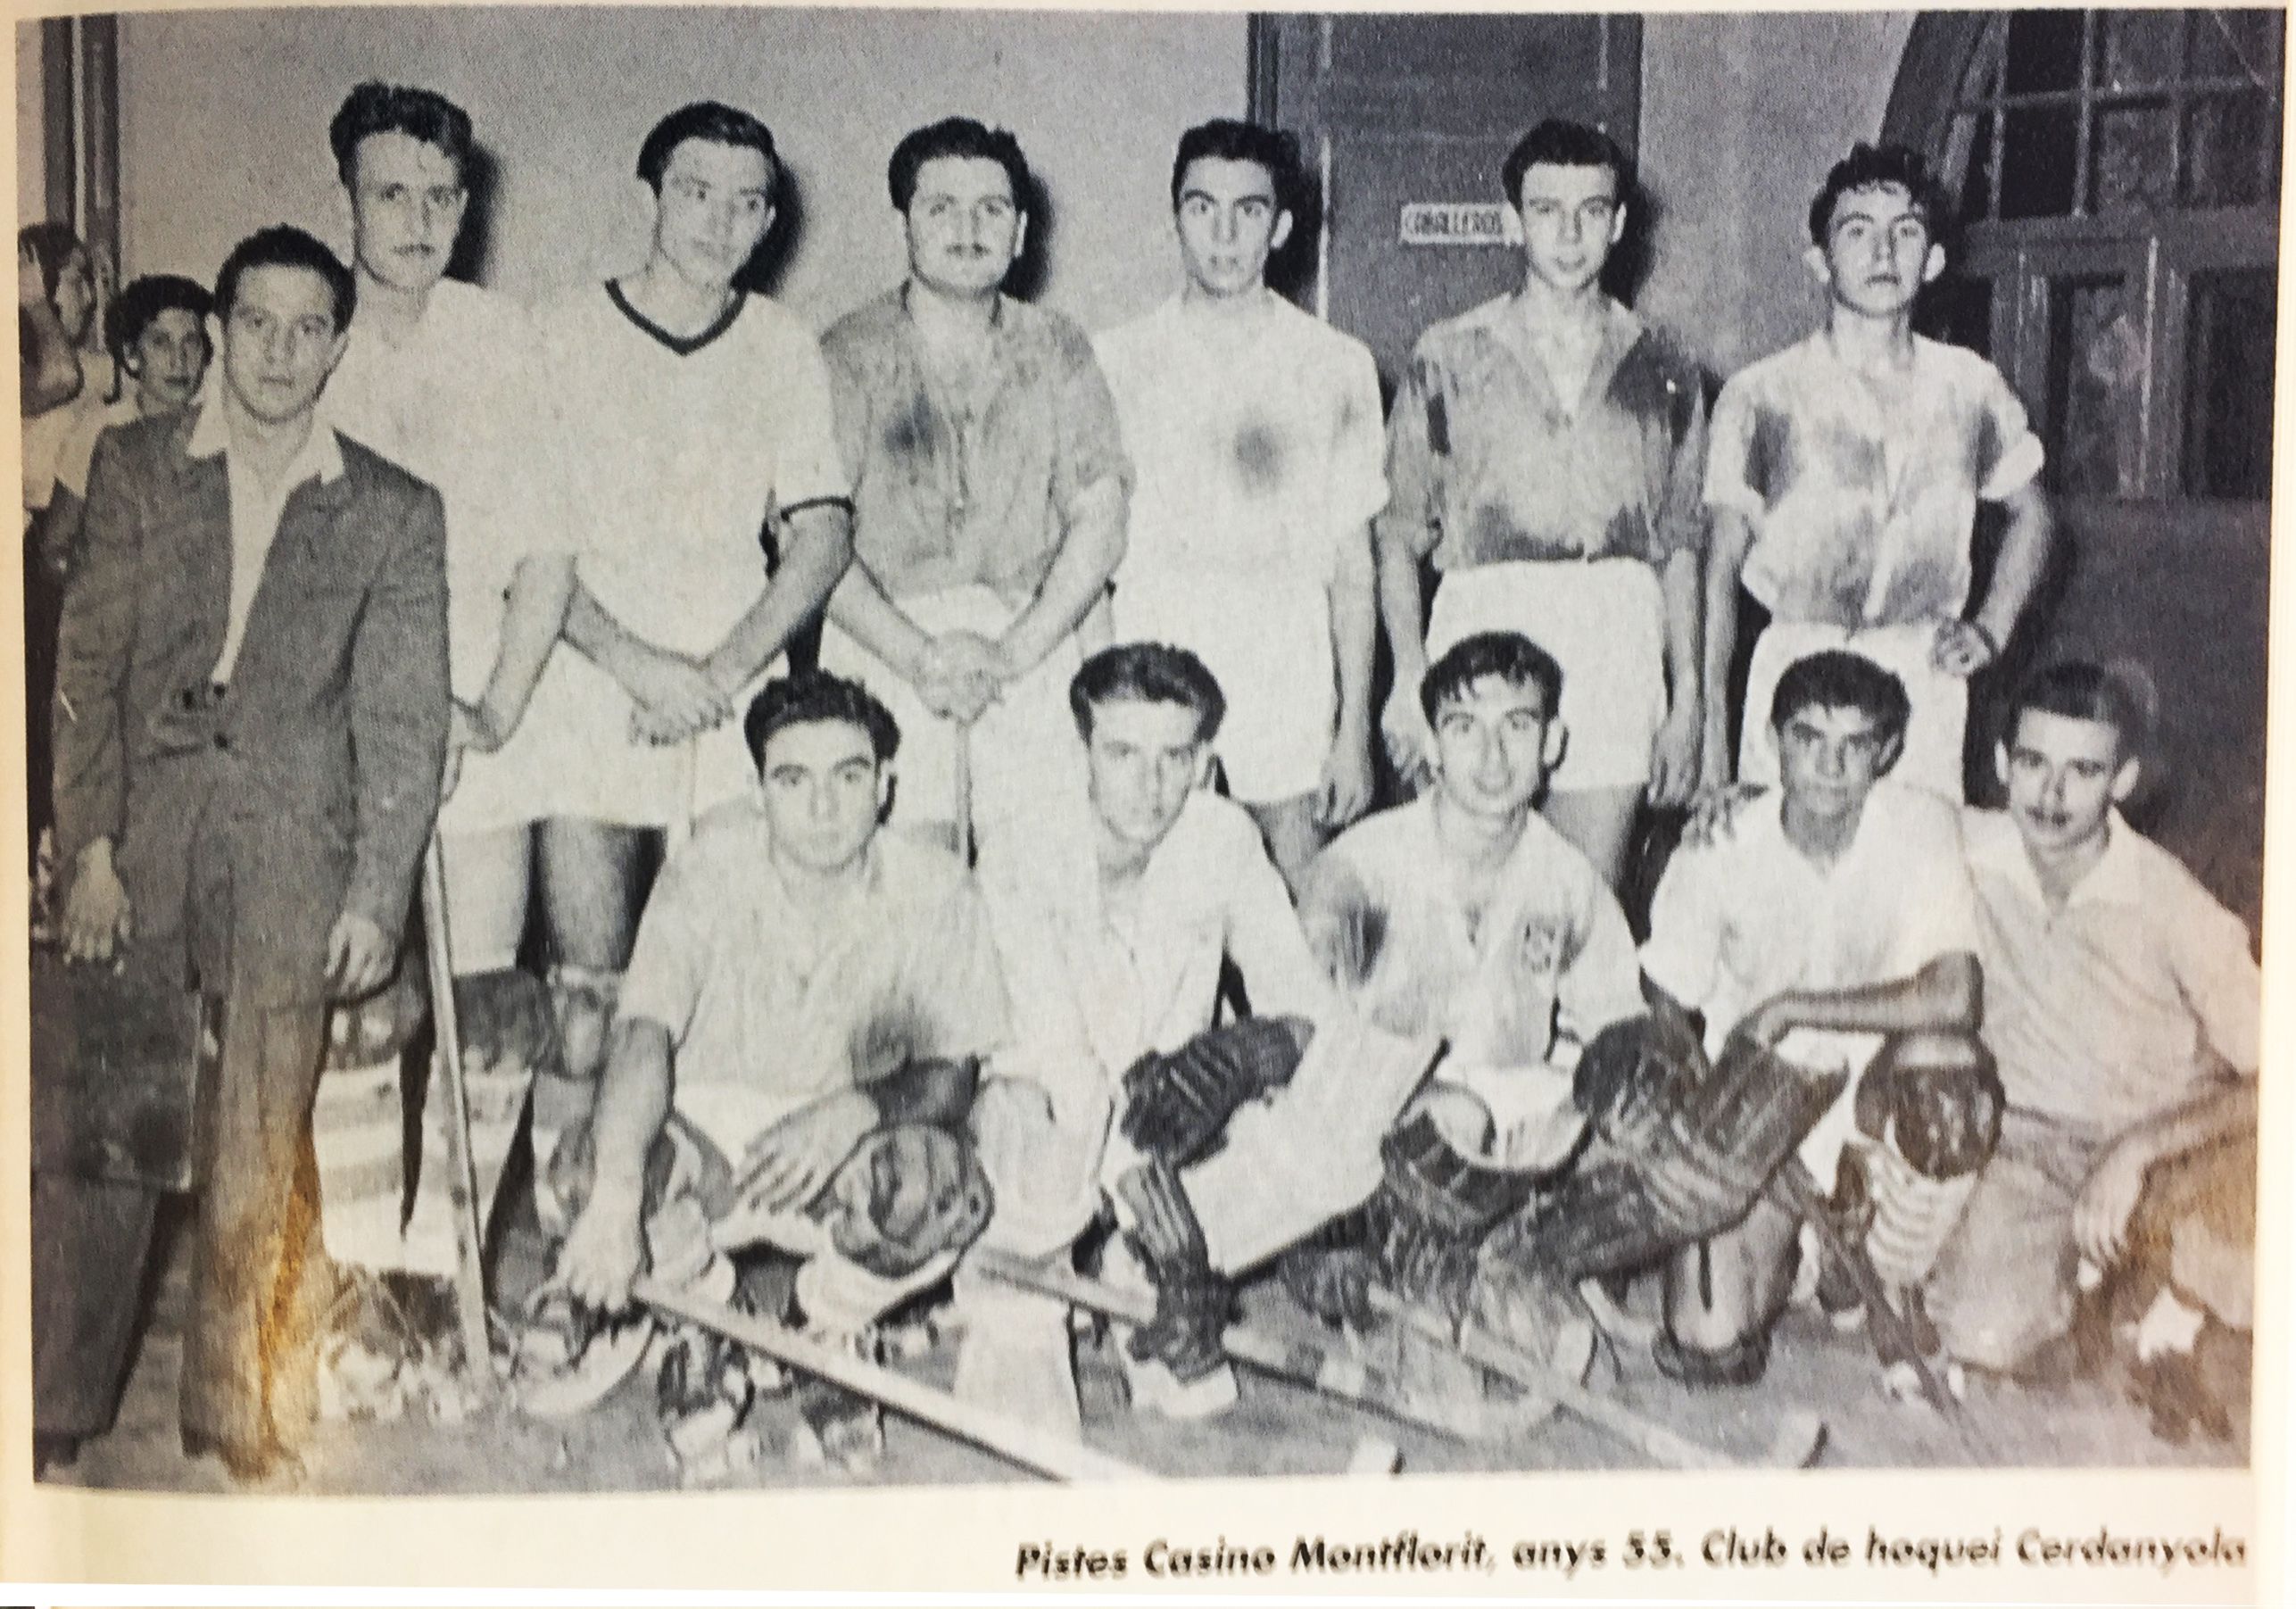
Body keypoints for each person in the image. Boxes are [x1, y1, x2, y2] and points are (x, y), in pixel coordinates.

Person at [51, 224, 450, 1480]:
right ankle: (51, 1400)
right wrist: (91, 851)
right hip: (149, 840)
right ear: (216, 328)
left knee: (259, 1138)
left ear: (336, 343)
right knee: (103, 1127)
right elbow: (86, 669)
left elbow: (401, 720)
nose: (278, 350)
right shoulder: (135, 465)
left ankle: (228, 1406)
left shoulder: (392, 507)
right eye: (255, 322)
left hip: (296, 848)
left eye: (306, 327)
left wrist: (377, 894)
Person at [954, 643, 1435, 1433]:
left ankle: (1127, 1276)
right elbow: (1062, 1060)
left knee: (1350, 1103)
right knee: (1034, 1110)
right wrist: (1177, 1243)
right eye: (1122, 754)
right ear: (1082, 751)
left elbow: (1304, 1007)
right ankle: (1031, 1310)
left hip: (1164, 1126)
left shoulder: (1221, 836)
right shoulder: (1020, 844)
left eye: (1175, 757)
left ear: (1205, 761)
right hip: (1045, 1136)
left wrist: (1251, 1051)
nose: (1151, 785)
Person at [538, 671, 1009, 1473]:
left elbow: (952, 1072)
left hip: (841, 1157)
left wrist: (852, 1110)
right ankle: (702, 1321)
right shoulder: (706, 869)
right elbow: (644, 1034)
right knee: (588, 1167)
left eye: (848, 777)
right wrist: (621, 1190)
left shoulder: (936, 885)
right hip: (710, 1141)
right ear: (759, 791)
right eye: (793, 780)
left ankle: (820, 1323)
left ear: (886, 787)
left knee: (944, 1184)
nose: (822, 807)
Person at [519, 101, 854, 1148]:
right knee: (587, 1001)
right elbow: (522, 543)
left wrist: (717, 671)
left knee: (716, 1000)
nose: (719, 221)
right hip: (589, 687)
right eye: (696, 193)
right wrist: (641, 669)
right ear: (652, 197)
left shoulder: (783, 344)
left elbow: (821, 535)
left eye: (746, 203)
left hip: (727, 693)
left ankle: (693, 1273)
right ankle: (581, 1259)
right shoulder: (559, 332)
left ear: (768, 224)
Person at [1638, 650, 1989, 1386]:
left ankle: (1885, 1265)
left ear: (1886, 751)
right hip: (1758, 1098)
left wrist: (1791, 1006)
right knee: (1709, 1341)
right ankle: (1808, 1250)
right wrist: (1707, 1111)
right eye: (1808, 739)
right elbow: (1665, 994)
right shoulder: (1721, 840)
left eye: (1854, 745)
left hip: (1873, 1096)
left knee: (1946, 1075)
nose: (1830, 767)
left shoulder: (1921, 825)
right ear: (1772, 741)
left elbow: (1954, 996)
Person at [1380, 120, 1709, 891]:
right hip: (1481, 619)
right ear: (1511, 221)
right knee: (1469, 889)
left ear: (1619, 223)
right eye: (1546, 210)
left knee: (1584, 899)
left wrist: (1687, 698)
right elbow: (1397, 535)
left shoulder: (1665, 364)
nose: (1569, 233)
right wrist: (1403, 678)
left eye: (1591, 210)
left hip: (1614, 633)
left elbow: (1681, 546)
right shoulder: (1447, 355)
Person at [1931, 664, 2259, 1439]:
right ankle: (2101, 1293)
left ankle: (2171, 1290)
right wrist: (1737, 807)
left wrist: (2139, 1149)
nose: (2050, 794)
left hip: (2161, 1149)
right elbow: (1862, 815)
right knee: (1979, 1337)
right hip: (2029, 1143)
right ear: (2001, 763)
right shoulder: (1968, 846)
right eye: (2034, 763)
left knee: (2251, 1277)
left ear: (2124, 780)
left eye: (2083, 770)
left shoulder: (2166, 896)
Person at [819, 117, 1131, 880]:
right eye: (941, 207)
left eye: (992, 208)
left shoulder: (1058, 348)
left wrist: (1013, 652)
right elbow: (812, 539)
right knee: (900, 896)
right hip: (884, 644)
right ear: (905, 223)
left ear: (1021, 232)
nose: (968, 228)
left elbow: (1097, 516)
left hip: (1026, 644)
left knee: (1036, 893)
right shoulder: (846, 352)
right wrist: (920, 657)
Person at [317, 82, 577, 989]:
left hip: (478, 708)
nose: (418, 220)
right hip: (331, 726)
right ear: (344, 199)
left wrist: (492, 712)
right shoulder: (305, 339)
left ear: (466, 206)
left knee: (485, 1002)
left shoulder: (507, 339)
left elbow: (548, 551)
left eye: (440, 197)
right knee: (350, 1011)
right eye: (391, 194)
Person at [1702, 143, 2053, 802]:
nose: (1883, 253)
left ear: (1935, 261)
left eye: (1906, 232)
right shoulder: (1762, 393)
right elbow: (1718, 569)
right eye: (1856, 231)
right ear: (1819, 261)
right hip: (1795, 666)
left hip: (1920, 667)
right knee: (1788, 884)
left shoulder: (1968, 385)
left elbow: (2033, 514)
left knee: (1911, 881)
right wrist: (1709, 736)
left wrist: (1991, 627)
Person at [1094, 120, 1385, 889]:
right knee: (1152, 926)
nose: (1223, 234)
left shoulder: (1335, 365)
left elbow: (1355, 570)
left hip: (1285, 687)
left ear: (1282, 226)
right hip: (1153, 680)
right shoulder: (1114, 361)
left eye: (1248, 210)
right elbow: (1087, 561)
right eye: (1202, 207)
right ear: (1174, 217)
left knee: (1301, 934)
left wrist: (1352, 728)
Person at [43, 274, 215, 573]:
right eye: (161, 343)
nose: (179, 360)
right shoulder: (99, 430)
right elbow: (54, 549)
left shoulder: (215, 431)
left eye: (191, 343)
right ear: (132, 355)